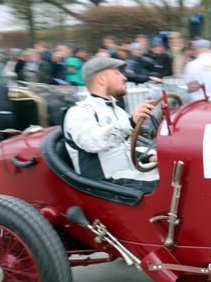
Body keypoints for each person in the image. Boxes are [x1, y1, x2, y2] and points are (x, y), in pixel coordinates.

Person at [62, 56, 159, 191]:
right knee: (171, 187)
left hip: (128, 175)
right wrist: (130, 122)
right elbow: (93, 142)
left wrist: (150, 157)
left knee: (179, 174)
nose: (124, 78)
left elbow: (128, 147)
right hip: (105, 185)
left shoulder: (118, 111)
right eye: (117, 73)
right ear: (101, 79)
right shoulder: (79, 111)